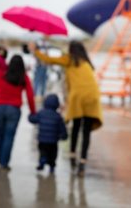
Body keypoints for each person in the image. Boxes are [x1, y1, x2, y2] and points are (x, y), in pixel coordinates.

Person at [30, 40, 103, 176]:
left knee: (75, 127)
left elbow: (49, 59)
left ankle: (73, 155)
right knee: (86, 131)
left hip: (78, 96)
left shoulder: (69, 60)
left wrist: (35, 51)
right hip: (93, 97)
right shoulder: (86, 62)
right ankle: (82, 161)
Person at [0, 55, 36, 170]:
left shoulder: (0, 74)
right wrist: (33, 112)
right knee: (9, 136)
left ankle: (0, 159)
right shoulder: (23, 78)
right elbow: (30, 96)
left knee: (0, 133)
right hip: (13, 110)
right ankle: (4, 163)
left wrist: (0, 92)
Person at [29, 94, 68, 174]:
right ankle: (52, 167)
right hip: (53, 141)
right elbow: (62, 128)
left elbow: (33, 119)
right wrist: (64, 136)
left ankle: (42, 160)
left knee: (43, 151)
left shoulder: (41, 113)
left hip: (42, 140)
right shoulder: (58, 116)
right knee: (52, 155)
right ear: (57, 104)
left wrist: (30, 115)